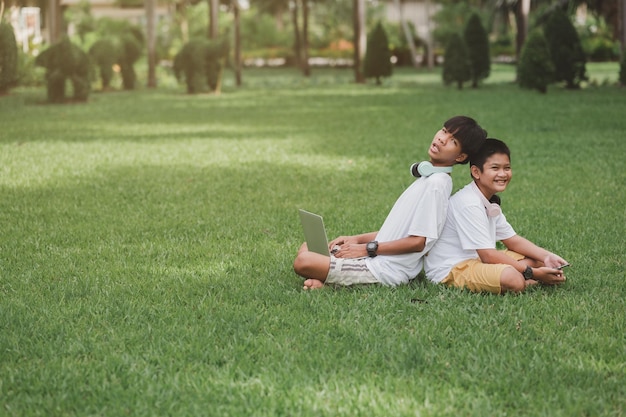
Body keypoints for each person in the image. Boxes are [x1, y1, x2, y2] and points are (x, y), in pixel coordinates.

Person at [293, 116, 488, 290]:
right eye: (444, 131)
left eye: (452, 140)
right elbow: (398, 231)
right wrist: (355, 239)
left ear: (461, 157)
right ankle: (326, 280)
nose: (441, 138)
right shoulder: (429, 178)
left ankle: (328, 279)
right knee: (309, 246)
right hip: (374, 255)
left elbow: (418, 242)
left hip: (384, 269)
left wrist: (365, 248)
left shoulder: (437, 185)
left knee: (304, 260)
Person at [424, 138, 568, 294]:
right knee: (513, 279)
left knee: (538, 260)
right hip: (452, 268)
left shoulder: (486, 199)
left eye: (507, 168)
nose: (502, 174)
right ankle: (525, 280)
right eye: (495, 168)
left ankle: (525, 275)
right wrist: (532, 273)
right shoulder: (469, 203)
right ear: (476, 172)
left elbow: (512, 240)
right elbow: (488, 255)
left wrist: (548, 256)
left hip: (477, 260)